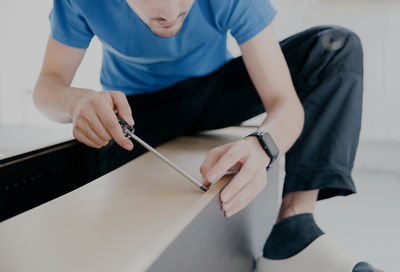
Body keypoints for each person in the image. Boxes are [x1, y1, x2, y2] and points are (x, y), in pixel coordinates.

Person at [33, 0, 374, 271]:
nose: (169, 13)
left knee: (335, 47)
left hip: (214, 92)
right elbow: (48, 85)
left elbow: (284, 102)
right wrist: (75, 102)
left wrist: (262, 146)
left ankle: (294, 227)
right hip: (135, 112)